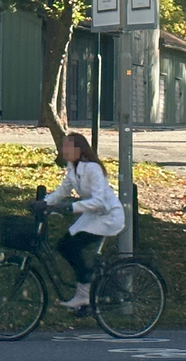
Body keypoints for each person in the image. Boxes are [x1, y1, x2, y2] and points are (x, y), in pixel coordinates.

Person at [32, 133, 125, 310]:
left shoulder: (93, 169)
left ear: (78, 149)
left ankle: (84, 291)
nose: (63, 151)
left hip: (108, 216)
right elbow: (63, 190)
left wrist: (72, 207)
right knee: (64, 245)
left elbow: (99, 200)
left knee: (72, 246)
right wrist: (44, 202)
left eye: (67, 147)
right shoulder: (72, 167)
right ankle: (85, 280)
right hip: (93, 215)